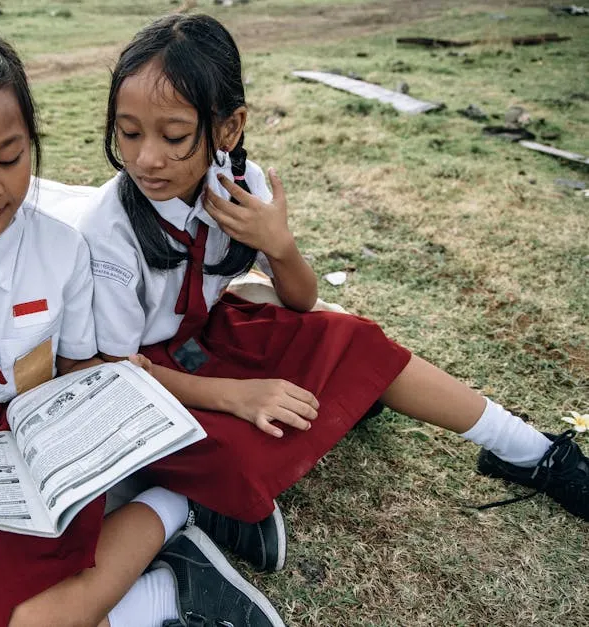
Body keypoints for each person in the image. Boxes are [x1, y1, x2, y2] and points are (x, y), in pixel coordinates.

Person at [78, 12, 588, 571]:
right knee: (232, 458)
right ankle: (200, 505)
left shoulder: (239, 185)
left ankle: (529, 451)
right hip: (148, 380)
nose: (146, 157)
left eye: (173, 135)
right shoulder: (110, 230)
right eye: (129, 133)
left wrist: (280, 245)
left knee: (350, 338)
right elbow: (114, 369)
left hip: (206, 342)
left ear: (229, 128)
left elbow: (298, 299)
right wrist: (238, 396)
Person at [0, 26, 284, 627]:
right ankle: (167, 564)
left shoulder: (63, 251)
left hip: (40, 447)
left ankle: (173, 518)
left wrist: (123, 378)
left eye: (10, 158)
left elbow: (76, 368)